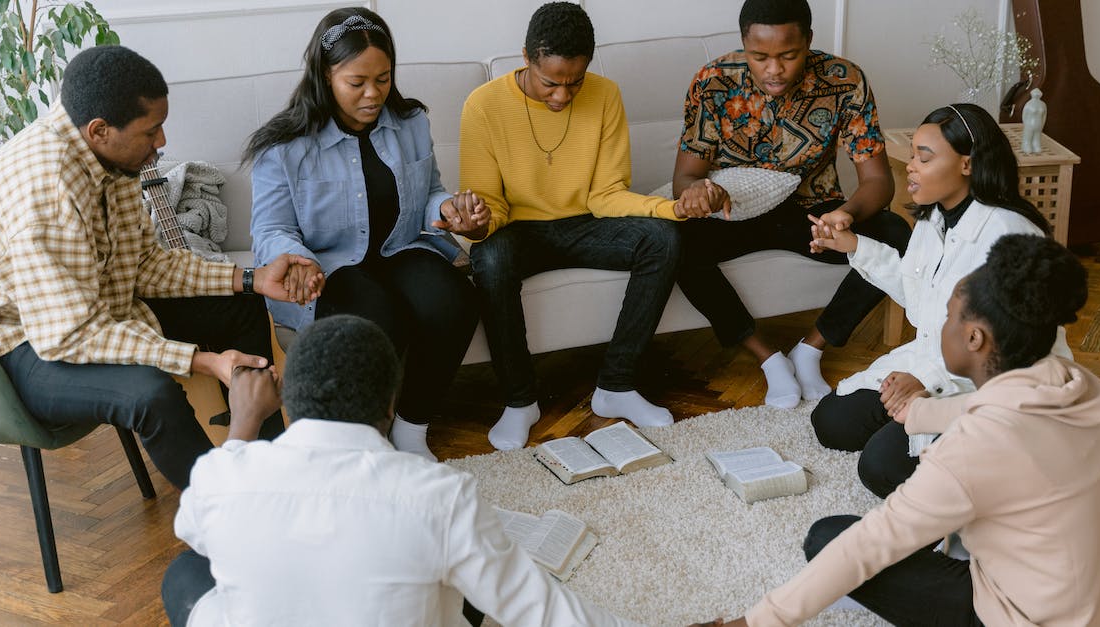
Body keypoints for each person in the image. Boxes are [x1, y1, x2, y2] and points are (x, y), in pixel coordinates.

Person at [689, 234, 1100, 627]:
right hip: (1081, 607)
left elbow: (876, 541)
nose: (940, 329)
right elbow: (991, 405)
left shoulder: (976, 447)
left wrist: (748, 624)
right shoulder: (1067, 382)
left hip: (1014, 618)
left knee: (831, 538)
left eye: (947, 318)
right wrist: (918, 414)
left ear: (973, 339)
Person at [160, 315, 640, 627]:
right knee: (461, 573)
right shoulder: (439, 495)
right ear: (390, 402)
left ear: (286, 396)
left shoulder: (223, 477)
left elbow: (195, 528)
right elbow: (545, 612)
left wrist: (245, 421)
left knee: (186, 572)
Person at [0, 45, 319, 490]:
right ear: (100, 130)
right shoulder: (46, 196)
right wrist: (202, 361)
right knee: (150, 394)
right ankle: (223, 513)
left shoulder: (111, 158)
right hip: (23, 347)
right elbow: (70, 334)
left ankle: (268, 469)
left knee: (239, 305)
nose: (161, 142)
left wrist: (250, 278)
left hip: (90, 313)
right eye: (151, 131)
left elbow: (142, 266)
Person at [246, 8, 483, 462]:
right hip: (331, 261)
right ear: (325, 75)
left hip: (400, 246)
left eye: (384, 78)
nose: (373, 94)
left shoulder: (411, 122)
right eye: (357, 83)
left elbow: (430, 191)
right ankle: (366, 439)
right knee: (375, 317)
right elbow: (272, 229)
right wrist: (297, 258)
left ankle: (412, 428)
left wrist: (448, 210)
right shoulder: (284, 145)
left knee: (455, 301)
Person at [460, 2, 697, 450]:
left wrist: (672, 210)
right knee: (490, 258)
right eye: (550, 82)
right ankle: (520, 401)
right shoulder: (484, 106)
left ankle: (617, 387)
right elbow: (491, 208)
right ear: (526, 57)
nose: (563, 96)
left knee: (663, 239)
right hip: (517, 230)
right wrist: (475, 227)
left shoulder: (606, 95)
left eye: (575, 82)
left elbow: (607, 193)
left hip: (588, 222)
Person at [807, 103, 1071, 499]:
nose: (911, 166)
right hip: (936, 358)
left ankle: (993, 462)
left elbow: (1007, 349)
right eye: (913, 154)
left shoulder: (1012, 235)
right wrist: (852, 244)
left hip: (998, 384)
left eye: (923, 157)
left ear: (967, 164)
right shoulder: (935, 220)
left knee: (880, 468)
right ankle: (908, 420)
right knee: (831, 422)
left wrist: (925, 383)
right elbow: (916, 290)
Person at [672, 0, 911, 409]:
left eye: (788, 55)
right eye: (759, 56)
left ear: (809, 42)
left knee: (895, 233)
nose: (773, 70)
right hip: (737, 212)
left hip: (813, 214)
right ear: (744, 44)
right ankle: (768, 360)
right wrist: (698, 192)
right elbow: (685, 177)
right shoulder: (713, 81)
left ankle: (811, 349)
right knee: (672, 241)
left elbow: (877, 181)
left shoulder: (844, 80)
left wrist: (845, 215)